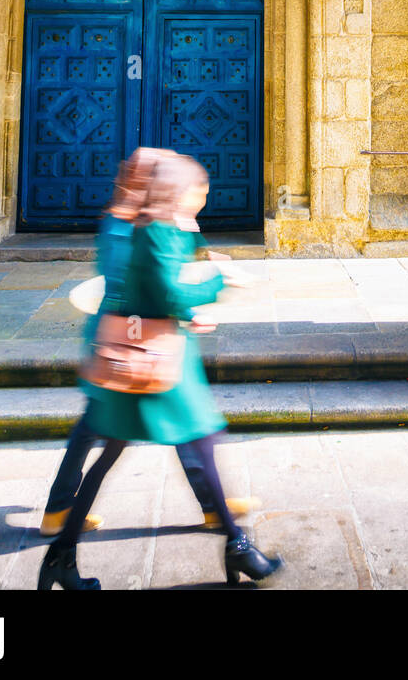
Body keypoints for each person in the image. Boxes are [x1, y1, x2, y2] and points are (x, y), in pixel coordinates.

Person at [37, 148, 283, 591]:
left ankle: (61, 555)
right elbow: (167, 295)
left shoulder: (132, 223)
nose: (201, 201)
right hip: (155, 359)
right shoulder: (157, 228)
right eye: (196, 192)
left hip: (134, 355)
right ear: (177, 189)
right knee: (196, 440)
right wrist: (217, 282)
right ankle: (235, 543)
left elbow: (140, 285)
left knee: (118, 455)